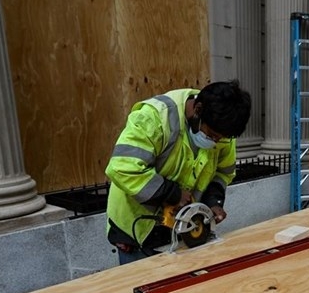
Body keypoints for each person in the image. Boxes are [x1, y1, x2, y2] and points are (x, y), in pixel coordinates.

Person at [105, 80, 252, 264]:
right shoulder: (155, 118)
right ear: (197, 110)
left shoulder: (221, 127)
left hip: (182, 227)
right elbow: (123, 167)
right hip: (136, 228)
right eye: (212, 135)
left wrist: (213, 201)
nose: (216, 141)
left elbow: (223, 173)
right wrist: (173, 194)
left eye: (221, 138)